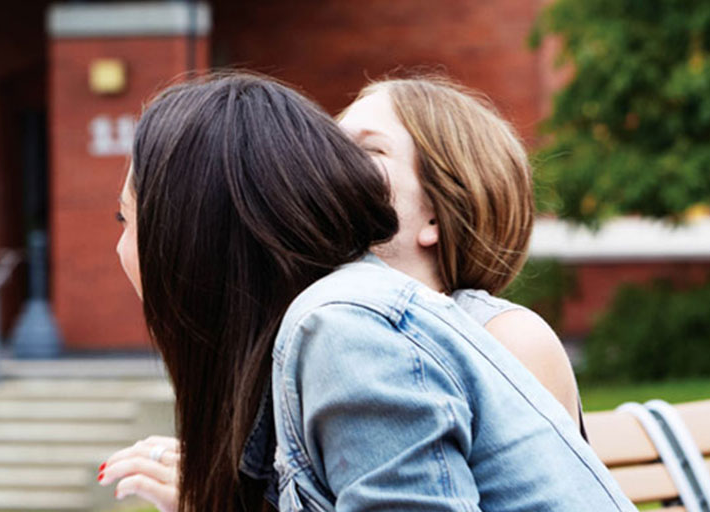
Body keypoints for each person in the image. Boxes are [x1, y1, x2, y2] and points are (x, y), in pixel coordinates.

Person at [99, 72, 629, 511]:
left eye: (361, 155)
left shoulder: (353, 328)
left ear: (437, 214)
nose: (323, 172)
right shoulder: (328, 328)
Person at [339, 77, 582, 424]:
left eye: (369, 150)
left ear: (435, 218)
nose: (327, 163)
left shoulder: (507, 341)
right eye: (331, 144)